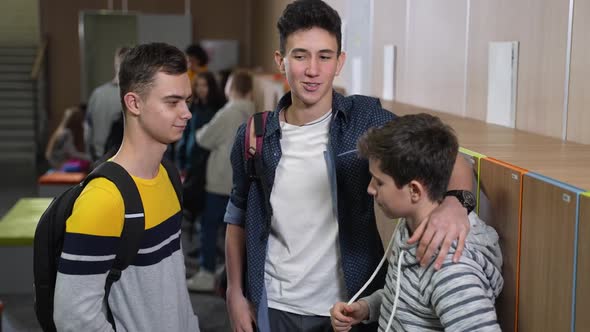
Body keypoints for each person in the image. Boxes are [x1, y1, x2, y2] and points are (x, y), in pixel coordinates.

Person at [224, 1, 474, 331]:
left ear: (339, 62)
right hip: (275, 303)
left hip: (349, 306)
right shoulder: (255, 134)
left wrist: (457, 204)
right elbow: (237, 214)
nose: (312, 70)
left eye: (324, 56)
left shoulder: (366, 120)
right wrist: (234, 293)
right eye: (300, 56)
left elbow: (455, 160)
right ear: (280, 61)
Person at [53, 42, 200, 331]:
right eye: (172, 102)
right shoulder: (103, 199)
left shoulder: (168, 176)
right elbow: (74, 319)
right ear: (134, 103)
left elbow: (170, 285)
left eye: (187, 100)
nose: (187, 113)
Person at [330, 114, 503, 331]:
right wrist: (368, 307)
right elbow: (410, 297)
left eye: (379, 182)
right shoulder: (411, 225)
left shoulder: (450, 271)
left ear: (414, 191)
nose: (370, 189)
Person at [187, 70, 255, 292]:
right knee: (235, 231)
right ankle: (228, 272)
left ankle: (207, 272)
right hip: (243, 182)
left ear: (230, 87)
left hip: (220, 180)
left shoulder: (228, 113)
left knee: (208, 226)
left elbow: (204, 138)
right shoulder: (255, 113)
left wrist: (198, 130)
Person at [178, 71, 225, 222]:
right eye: (198, 85)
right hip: (192, 160)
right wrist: (181, 161)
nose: (201, 89)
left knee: (207, 206)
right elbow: (184, 136)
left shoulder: (219, 109)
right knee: (191, 201)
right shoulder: (192, 107)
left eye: (204, 85)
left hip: (209, 161)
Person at [84, 46, 130, 161]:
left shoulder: (97, 94)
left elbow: (87, 132)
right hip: (124, 161)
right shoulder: (133, 97)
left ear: (115, 64)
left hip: (98, 159)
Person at [45, 104, 91, 172]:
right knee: (85, 165)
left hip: (54, 162)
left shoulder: (60, 131)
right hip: (60, 164)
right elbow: (72, 153)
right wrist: (88, 157)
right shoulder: (66, 133)